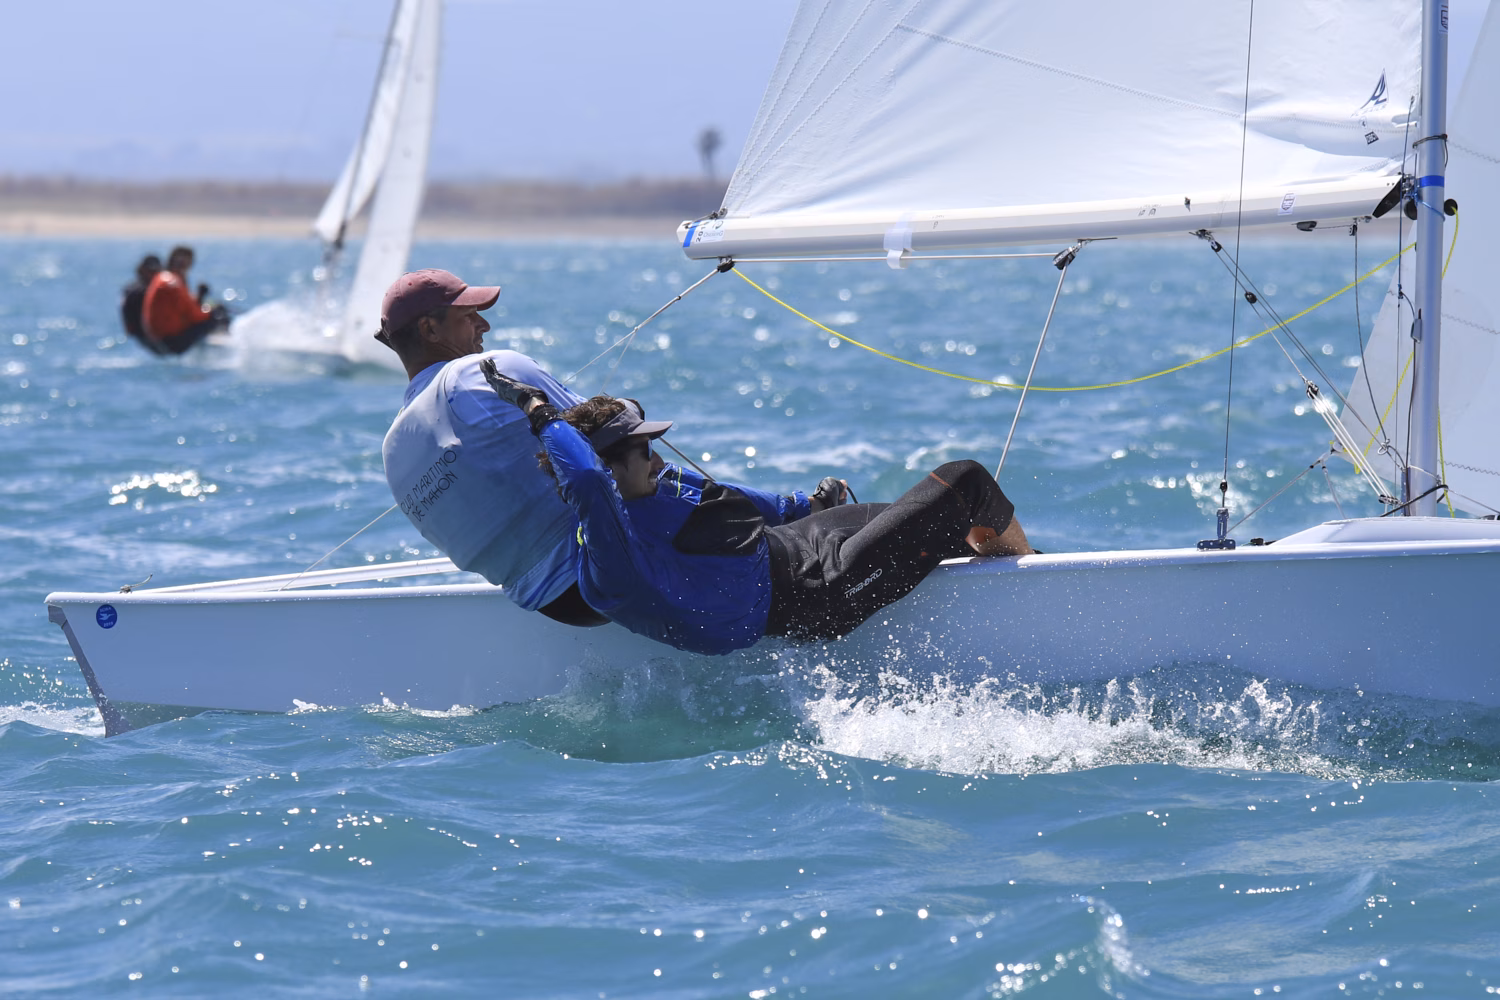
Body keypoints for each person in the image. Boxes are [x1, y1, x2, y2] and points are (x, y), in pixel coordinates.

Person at [484, 367, 1034, 655]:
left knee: (937, 521)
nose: (655, 459)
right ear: (607, 473)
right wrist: (537, 410)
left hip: (797, 544)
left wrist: (807, 504)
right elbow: (581, 476)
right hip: (814, 596)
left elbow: (732, 505)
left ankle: (1022, 565)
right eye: (641, 452)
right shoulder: (613, 559)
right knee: (965, 481)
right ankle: (1036, 594)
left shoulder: (660, 487)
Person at [376, 268, 601, 625]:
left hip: (558, 609)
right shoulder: (484, 371)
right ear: (430, 330)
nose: (484, 325)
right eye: (468, 316)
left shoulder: (392, 450)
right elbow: (613, 431)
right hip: (606, 575)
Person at [141, 245, 229, 355]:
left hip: (162, 339)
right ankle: (221, 340)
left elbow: (186, 306)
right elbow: (192, 313)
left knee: (212, 309)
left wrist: (202, 303)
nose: (184, 266)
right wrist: (210, 312)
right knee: (216, 314)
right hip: (171, 341)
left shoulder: (164, 278)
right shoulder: (171, 282)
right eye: (181, 263)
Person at [120, 254, 167, 354]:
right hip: (147, 336)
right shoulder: (134, 291)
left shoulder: (162, 288)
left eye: (156, 271)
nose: (153, 275)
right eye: (150, 271)